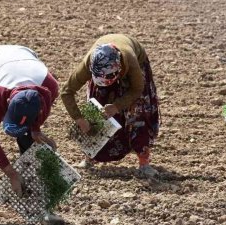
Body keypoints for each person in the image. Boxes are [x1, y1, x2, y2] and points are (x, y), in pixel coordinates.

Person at [0, 45, 60, 225]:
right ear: (7, 104)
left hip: (26, 61)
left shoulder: (50, 88)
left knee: (30, 141)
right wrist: (11, 173)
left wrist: (35, 129)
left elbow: (37, 114)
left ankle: (41, 205)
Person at [60, 34, 160, 177]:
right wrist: (79, 118)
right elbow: (66, 92)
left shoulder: (130, 61)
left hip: (135, 61)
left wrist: (117, 106)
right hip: (106, 70)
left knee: (138, 111)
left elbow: (137, 89)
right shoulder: (90, 63)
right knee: (96, 108)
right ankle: (89, 158)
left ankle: (144, 163)